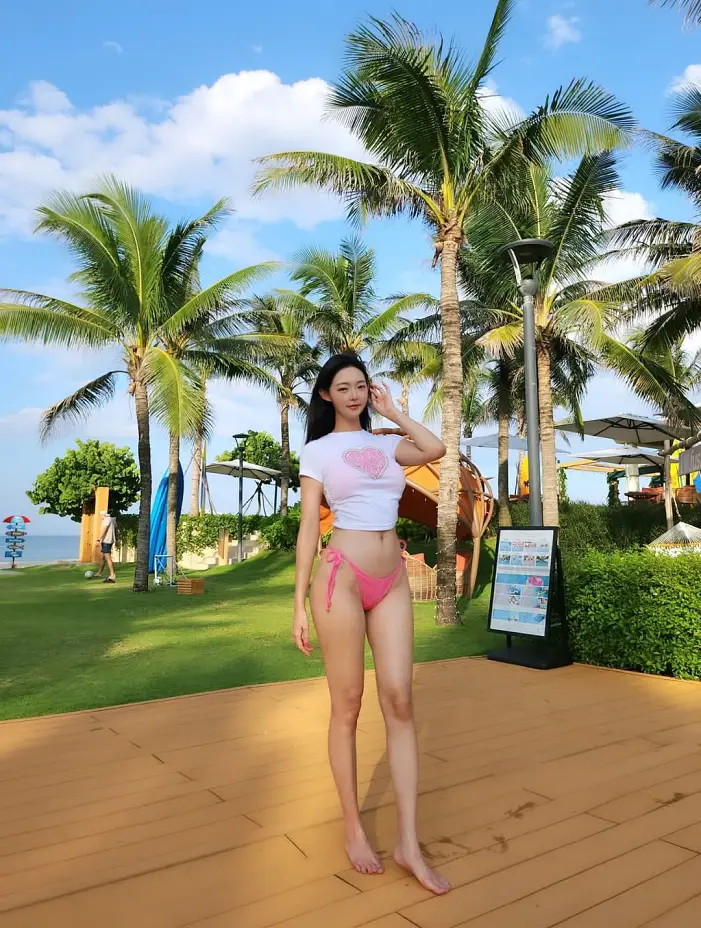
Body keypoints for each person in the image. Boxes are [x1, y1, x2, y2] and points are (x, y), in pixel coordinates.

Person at [294, 353, 450, 895]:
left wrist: (395, 413)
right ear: (326, 395)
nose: (355, 394)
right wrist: (297, 603)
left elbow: (435, 448)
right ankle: (353, 828)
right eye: (343, 387)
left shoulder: (387, 445)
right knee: (348, 705)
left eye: (361, 385)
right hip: (341, 577)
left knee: (400, 701)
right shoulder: (317, 451)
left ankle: (408, 843)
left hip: (392, 581)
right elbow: (308, 528)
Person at [96, 510, 117, 583]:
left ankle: (112, 575)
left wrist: (99, 539)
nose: (100, 517)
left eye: (101, 516)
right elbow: (116, 529)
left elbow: (105, 528)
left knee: (108, 557)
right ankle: (99, 573)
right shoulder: (112, 519)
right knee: (102, 556)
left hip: (106, 541)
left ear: (103, 515)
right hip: (106, 541)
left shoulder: (107, 520)